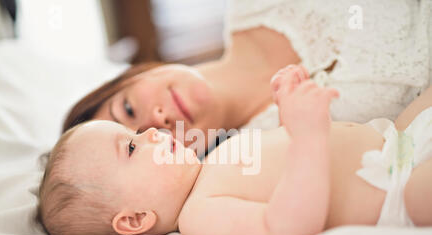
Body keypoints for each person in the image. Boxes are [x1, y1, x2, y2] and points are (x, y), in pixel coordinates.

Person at [37, 65, 432, 235]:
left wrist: (290, 114)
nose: (153, 131)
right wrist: (308, 138)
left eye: (134, 130)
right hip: (395, 191)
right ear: (135, 219)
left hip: (396, 137)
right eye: (132, 147)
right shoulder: (200, 216)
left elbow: (279, 166)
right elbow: (284, 229)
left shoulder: (212, 162)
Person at [62, 0, 431, 157]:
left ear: (133, 75)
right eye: (142, 142)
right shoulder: (279, 149)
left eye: (127, 109)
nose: (155, 121)